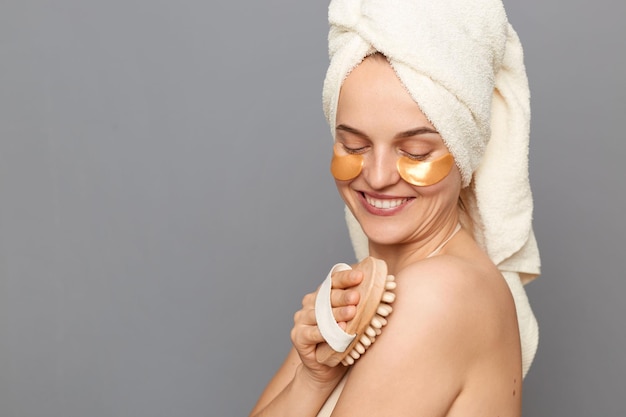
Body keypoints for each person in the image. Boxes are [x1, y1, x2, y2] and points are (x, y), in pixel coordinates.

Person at [250, 0, 540, 415]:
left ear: (464, 155)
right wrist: (311, 378)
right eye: (354, 145)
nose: (379, 175)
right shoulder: (364, 293)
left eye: (417, 152)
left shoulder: (439, 293)